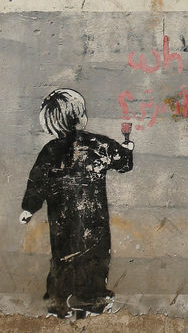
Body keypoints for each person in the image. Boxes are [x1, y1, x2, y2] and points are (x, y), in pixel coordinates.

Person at [20, 88, 134, 318]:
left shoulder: (50, 150)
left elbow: (37, 182)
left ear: (51, 120)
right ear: (80, 115)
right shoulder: (98, 145)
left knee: (61, 260)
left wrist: (28, 208)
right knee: (95, 260)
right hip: (94, 221)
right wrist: (128, 146)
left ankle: (58, 302)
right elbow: (123, 163)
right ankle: (91, 301)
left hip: (62, 222)